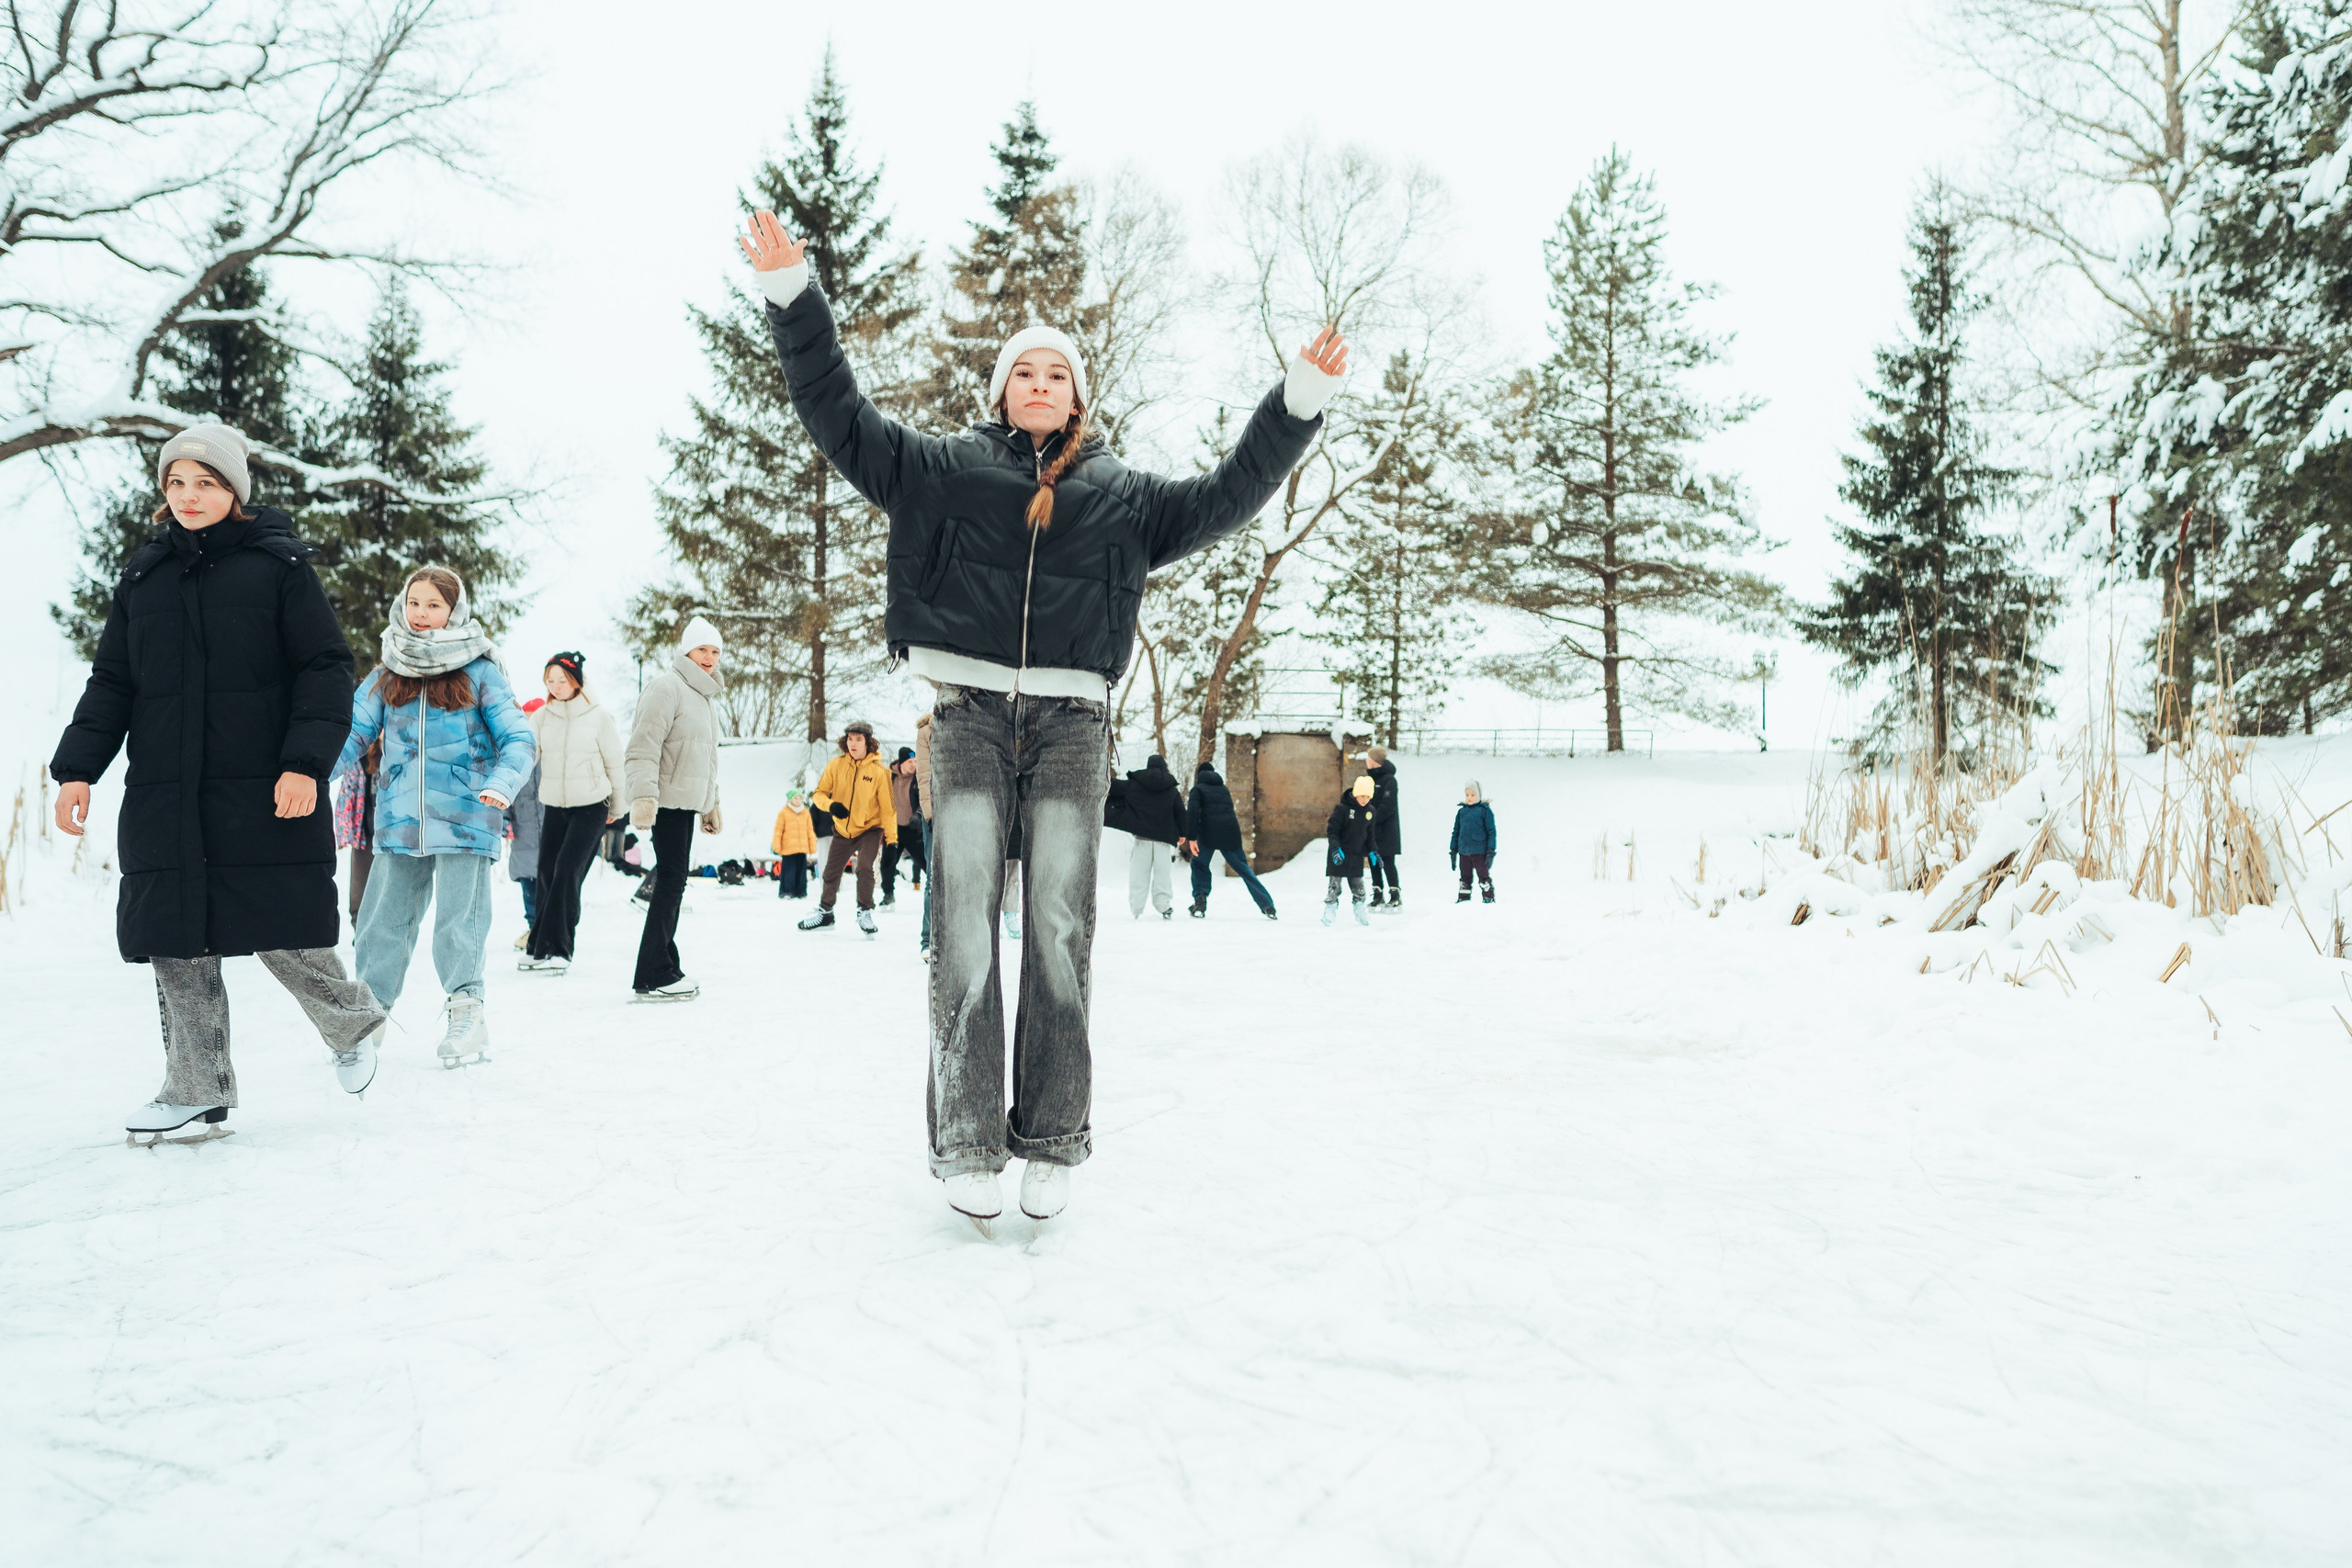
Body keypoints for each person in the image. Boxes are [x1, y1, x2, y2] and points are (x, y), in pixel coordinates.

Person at [741, 206, 1340, 1226]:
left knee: (1060, 930)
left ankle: (1054, 1136)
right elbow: (836, 413)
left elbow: (1230, 493)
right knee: (963, 927)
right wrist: (794, 298)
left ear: (1076, 394)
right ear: (1001, 390)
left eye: (1056, 373)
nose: (1039, 383)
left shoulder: (1122, 497)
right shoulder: (941, 472)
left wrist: (1297, 405)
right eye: (1023, 371)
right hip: (968, 716)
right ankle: (968, 1139)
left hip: (1071, 727)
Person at [51, 424, 391, 1142]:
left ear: (234, 489)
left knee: (282, 924)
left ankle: (353, 1026)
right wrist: (78, 767)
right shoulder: (144, 576)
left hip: (262, 784)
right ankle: (195, 1086)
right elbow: (113, 680)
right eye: (176, 482)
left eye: (205, 482)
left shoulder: (278, 567)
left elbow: (325, 666)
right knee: (176, 937)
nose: (188, 495)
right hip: (166, 790)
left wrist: (305, 762)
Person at [337, 566, 536, 1068]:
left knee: (458, 923)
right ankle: (368, 1019)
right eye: (414, 603)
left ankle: (468, 1015)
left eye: (434, 605)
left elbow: (519, 739)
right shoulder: (388, 672)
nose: (421, 615)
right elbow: (350, 735)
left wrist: (501, 783)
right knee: (381, 923)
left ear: (454, 611)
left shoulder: (480, 671)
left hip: (468, 819)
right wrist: (305, 773)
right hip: (400, 823)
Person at [626, 616, 726, 1001]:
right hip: (665, 801)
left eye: (715, 651)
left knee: (674, 881)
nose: (709, 657)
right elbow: (643, 745)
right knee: (671, 880)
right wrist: (643, 797)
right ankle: (654, 973)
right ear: (686, 650)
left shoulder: (704, 698)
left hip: (685, 804)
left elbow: (706, 760)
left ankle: (664, 964)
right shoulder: (667, 687)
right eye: (702, 649)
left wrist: (711, 804)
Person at [521, 651, 626, 973]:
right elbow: (526, 755)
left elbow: (615, 763)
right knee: (546, 872)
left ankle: (560, 949)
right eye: (550, 681)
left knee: (567, 872)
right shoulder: (542, 717)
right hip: (555, 805)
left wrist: (619, 806)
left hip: (592, 806)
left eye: (562, 680)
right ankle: (539, 946)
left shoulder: (598, 717)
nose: (555, 686)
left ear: (576, 682)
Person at [799, 719, 896, 934]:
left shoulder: (880, 772)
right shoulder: (836, 765)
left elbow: (888, 810)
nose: (853, 744)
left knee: (864, 867)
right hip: (843, 830)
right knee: (830, 872)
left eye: (858, 739)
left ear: (868, 742)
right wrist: (831, 805)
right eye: (850, 739)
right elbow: (819, 794)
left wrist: (892, 840)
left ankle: (864, 912)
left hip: (870, 829)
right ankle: (826, 914)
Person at [1185, 761, 1278, 920]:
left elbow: (1192, 813)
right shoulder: (1223, 789)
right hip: (1230, 833)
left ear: (1199, 776)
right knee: (1244, 869)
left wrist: (1191, 838)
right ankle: (1267, 906)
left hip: (1207, 834)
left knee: (1199, 865)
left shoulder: (1197, 790)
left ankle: (1200, 902)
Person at [1105, 752, 1187, 919]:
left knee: (1138, 875)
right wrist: (1183, 833)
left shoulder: (1135, 784)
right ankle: (1164, 906)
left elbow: (1111, 787)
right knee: (1162, 875)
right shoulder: (1171, 789)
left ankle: (1137, 908)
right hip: (1163, 841)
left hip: (1142, 839)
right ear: (1164, 767)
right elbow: (1180, 812)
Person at [1322, 773, 1381, 927]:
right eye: (1362, 795)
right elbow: (1332, 831)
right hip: (1339, 854)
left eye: (1368, 796)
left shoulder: (1370, 812)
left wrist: (1374, 852)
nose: (1365, 799)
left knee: (1358, 886)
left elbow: (1370, 836)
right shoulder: (1342, 809)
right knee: (1335, 885)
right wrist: (1335, 848)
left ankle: (1359, 908)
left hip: (1356, 856)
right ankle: (1330, 908)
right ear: (1355, 794)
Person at [504, 745, 544, 951]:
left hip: (551, 830)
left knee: (553, 886)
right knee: (530, 886)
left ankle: (551, 931)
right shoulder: (515, 753)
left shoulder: (553, 751)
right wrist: (504, 820)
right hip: (524, 833)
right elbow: (504, 790)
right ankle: (534, 930)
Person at [879, 746, 924, 908]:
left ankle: (936, 891)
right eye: (910, 761)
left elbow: (924, 800)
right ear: (901, 763)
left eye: (915, 761)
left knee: (926, 862)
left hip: (913, 828)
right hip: (894, 829)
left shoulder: (919, 778)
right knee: (887, 863)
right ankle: (888, 894)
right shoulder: (889, 777)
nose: (914, 765)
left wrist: (918, 816)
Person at [1364, 744, 1402, 910]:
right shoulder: (1369, 780)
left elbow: (1388, 805)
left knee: (1387, 861)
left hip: (1386, 831)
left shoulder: (1389, 780)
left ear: (1375, 761)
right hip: (1371, 831)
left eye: (1369, 757)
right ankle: (1378, 894)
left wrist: (1372, 819)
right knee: (1373, 860)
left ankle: (1395, 895)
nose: (1367, 760)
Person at [1451, 781, 1498, 904]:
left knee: (1483, 877)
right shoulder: (1461, 812)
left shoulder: (1484, 811)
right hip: (1464, 852)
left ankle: (1488, 898)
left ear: (1478, 795)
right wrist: (1453, 850)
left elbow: (1491, 832)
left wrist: (1491, 850)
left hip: (1479, 852)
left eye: (1472, 795)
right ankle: (1463, 899)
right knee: (1465, 878)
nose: (1469, 798)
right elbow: (1456, 832)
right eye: (1467, 795)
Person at [772, 788, 816, 899]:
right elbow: (778, 831)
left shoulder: (805, 812)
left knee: (801, 871)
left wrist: (812, 846)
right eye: (795, 798)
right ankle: (786, 891)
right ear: (790, 800)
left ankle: (801, 892)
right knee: (789, 871)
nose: (798, 800)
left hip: (802, 848)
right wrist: (776, 845)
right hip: (788, 848)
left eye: (800, 798)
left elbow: (810, 830)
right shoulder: (783, 812)